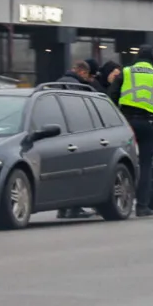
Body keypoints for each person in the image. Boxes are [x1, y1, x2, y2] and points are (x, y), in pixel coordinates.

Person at [113, 45, 153, 217]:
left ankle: (121, 202)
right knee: (146, 165)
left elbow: (111, 97)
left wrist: (118, 121)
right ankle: (142, 206)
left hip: (127, 123)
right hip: (148, 124)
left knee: (121, 163)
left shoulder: (126, 72)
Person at [55, 60, 100, 220]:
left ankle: (62, 209)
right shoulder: (78, 87)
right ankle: (75, 207)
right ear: (82, 72)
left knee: (64, 174)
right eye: (87, 75)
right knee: (79, 172)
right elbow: (78, 112)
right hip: (75, 134)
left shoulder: (56, 83)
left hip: (58, 135)